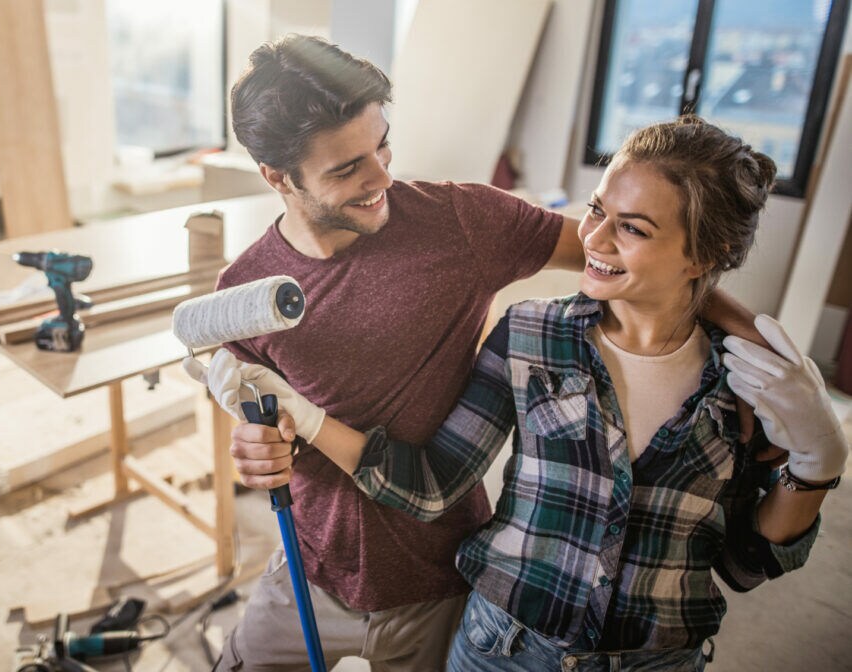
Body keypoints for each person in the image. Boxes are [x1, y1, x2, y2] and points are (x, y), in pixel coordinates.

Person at [192, 34, 767, 670]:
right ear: (278, 176)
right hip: (309, 566)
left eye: (381, 144)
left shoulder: (460, 223)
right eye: (346, 168)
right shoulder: (243, 294)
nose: (381, 176)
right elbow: (255, 403)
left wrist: (752, 338)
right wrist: (255, 441)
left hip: (438, 580)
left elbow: (630, 261)